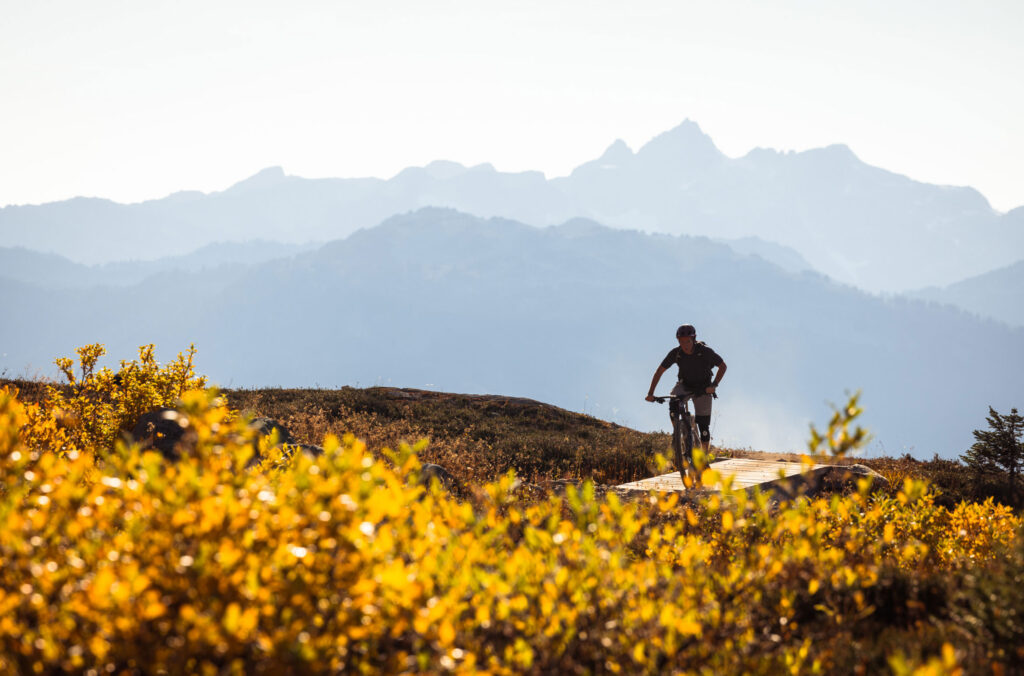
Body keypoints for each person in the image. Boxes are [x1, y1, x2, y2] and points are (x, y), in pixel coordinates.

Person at [645, 324, 727, 453]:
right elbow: (659, 371)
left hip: (704, 388)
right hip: (685, 385)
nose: (684, 345)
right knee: (673, 401)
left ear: (693, 339)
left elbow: (723, 366)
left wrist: (714, 385)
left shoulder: (705, 352)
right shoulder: (676, 353)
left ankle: (703, 460)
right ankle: (680, 430)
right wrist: (650, 393)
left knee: (704, 429)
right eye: (681, 341)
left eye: (687, 341)